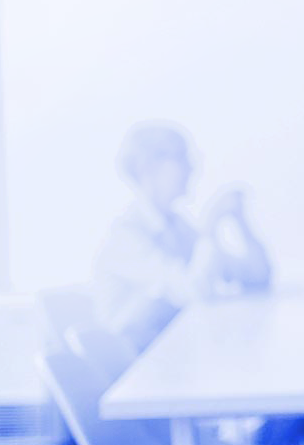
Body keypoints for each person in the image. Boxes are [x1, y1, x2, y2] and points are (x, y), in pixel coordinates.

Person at [90, 121, 272, 352]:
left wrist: (240, 222)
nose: (192, 168)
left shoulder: (177, 225)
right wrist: (210, 228)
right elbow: (194, 291)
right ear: (148, 167)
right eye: (181, 157)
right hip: (136, 363)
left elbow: (257, 276)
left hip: (173, 353)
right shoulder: (124, 237)